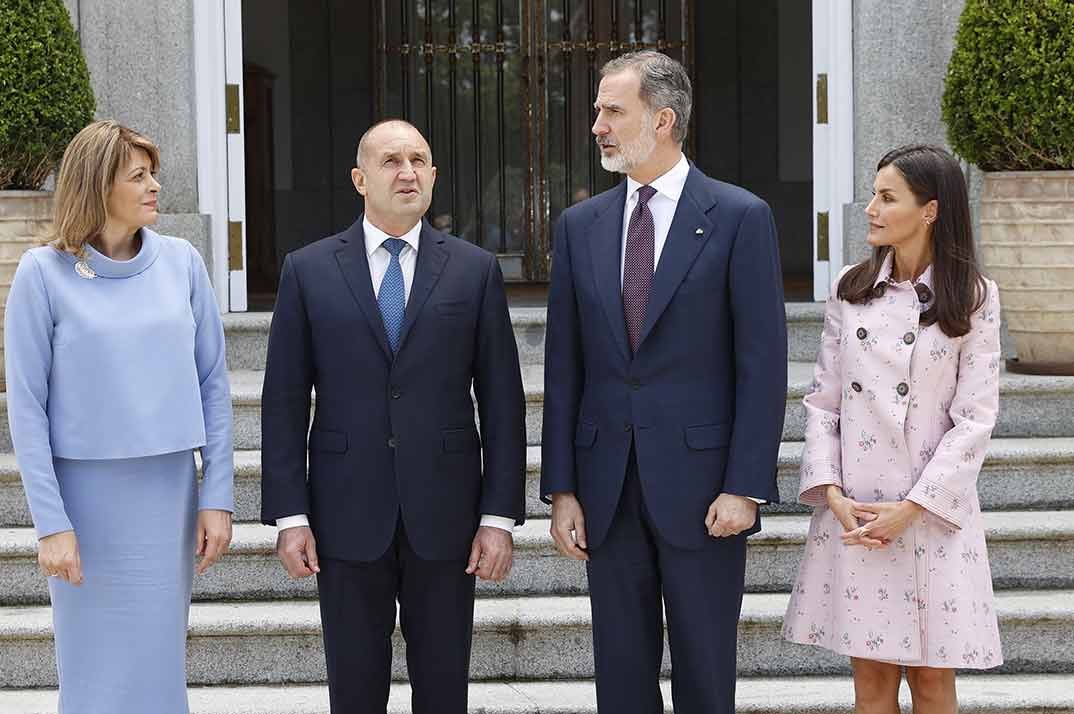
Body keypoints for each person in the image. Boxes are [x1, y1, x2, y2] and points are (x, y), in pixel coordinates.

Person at [540, 51, 788, 713]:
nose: (597, 125)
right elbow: (564, 366)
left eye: (612, 111)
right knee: (620, 677)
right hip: (607, 489)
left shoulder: (739, 218)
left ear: (664, 119)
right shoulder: (579, 227)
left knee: (706, 675)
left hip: (706, 491)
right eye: (598, 111)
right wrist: (562, 488)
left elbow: (762, 366)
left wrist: (746, 485)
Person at [260, 119, 526, 714]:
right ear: (359, 179)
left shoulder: (474, 270)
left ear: (433, 175)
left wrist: (500, 517)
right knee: (353, 691)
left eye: (419, 160)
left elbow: (503, 400)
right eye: (391, 161)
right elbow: (283, 400)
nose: (407, 172)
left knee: (443, 689)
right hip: (343, 516)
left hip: (448, 517)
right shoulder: (308, 270)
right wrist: (289, 515)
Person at [4, 120, 234, 714]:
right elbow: (26, 408)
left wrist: (218, 497)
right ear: (98, 185)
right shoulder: (41, 275)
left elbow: (212, 385)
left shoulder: (182, 263)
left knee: (158, 667)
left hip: (167, 495)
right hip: (84, 503)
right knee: (92, 674)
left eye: (152, 173)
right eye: (139, 176)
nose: (155, 185)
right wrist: (51, 524)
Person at [782, 144, 1003, 714]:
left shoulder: (973, 297)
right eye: (874, 195)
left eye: (887, 197)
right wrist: (831, 493)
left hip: (931, 515)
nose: (871, 209)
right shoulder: (852, 289)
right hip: (858, 511)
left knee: (932, 681)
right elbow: (824, 402)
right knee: (872, 682)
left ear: (929, 210)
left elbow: (975, 418)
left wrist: (914, 506)